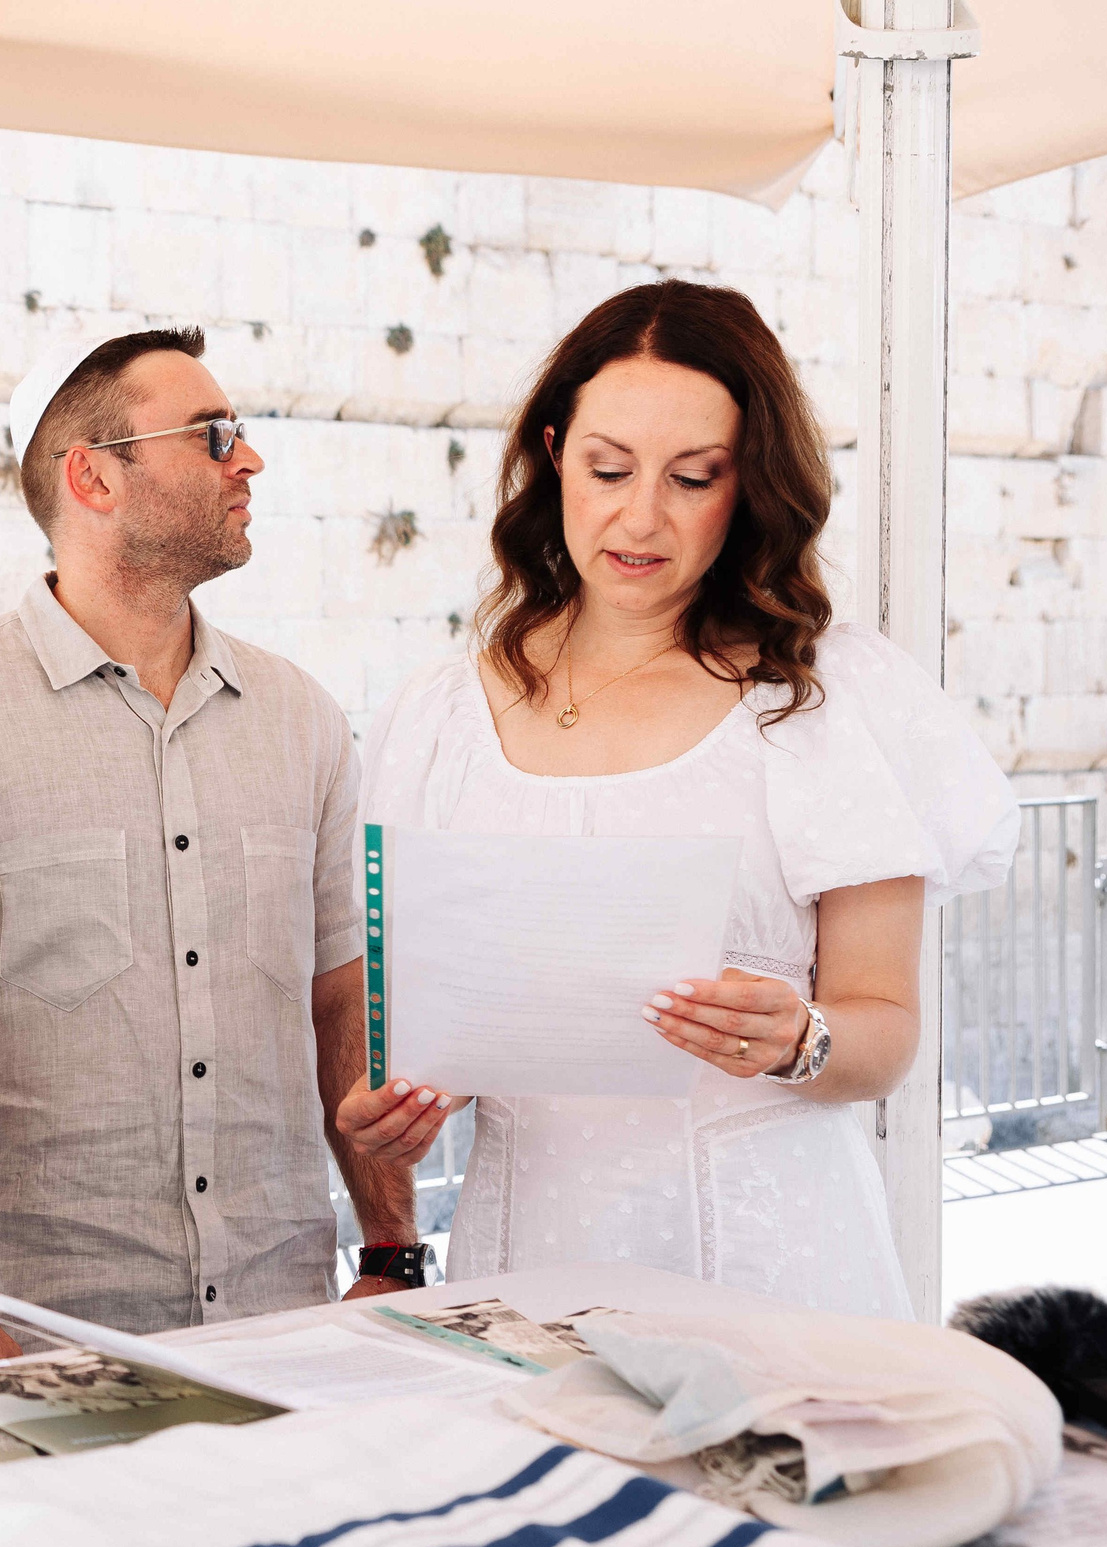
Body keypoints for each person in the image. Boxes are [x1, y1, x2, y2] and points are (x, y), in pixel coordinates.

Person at [356, 280, 1017, 1317]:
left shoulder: (826, 697)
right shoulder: (440, 715)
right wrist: (397, 1104)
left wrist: (803, 1037)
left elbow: (885, 1030)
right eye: (606, 468)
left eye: (692, 478)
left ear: (747, 486)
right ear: (551, 454)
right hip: (528, 1264)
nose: (639, 516)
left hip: (774, 1261)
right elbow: (419, 1032)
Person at [0, 328, 459, 1362]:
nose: (250, 460)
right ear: (93, 476)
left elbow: (341, 997)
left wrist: (393, 1245)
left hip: (286, 1326)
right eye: (213, 435)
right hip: (40, 1337)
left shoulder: (303, 719)